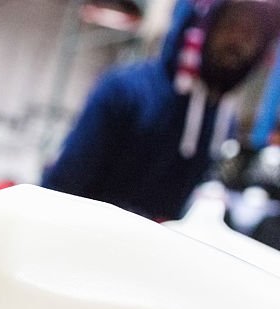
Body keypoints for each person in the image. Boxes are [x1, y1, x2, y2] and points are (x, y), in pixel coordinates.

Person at [42, 0, 280, 221]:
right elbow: (60, 189)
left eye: (252, 33)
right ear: (202, 26)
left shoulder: (223, 122)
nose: (239, 42)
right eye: (232, 25)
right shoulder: (125, 91)